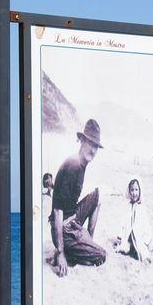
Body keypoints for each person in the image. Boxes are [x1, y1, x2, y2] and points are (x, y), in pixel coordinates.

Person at [49, 118, 107, 276]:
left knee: (98, 195)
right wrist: (60, 252)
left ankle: (88, 241)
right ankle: (67, 252)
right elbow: (57, 211)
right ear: (81, 140)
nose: (94, 150)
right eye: (90, 143)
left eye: (96, 146)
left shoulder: (81, 164)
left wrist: (87, 239)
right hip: (63, 228)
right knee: (101, 256)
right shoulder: (73, 166)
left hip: (72, 218)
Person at [113, 177, 153, 262]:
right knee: (124, 247)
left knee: (141, 249)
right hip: (128, 235)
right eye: (132, 190)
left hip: (138, 234)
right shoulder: (127, 206)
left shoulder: (142, 207)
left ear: (140, 191)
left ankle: (140, 251)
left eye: (136, 190)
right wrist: (120, 236)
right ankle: (129, 246)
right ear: (129, 191)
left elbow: (146, 225)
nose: (134, 193)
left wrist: (146, 240)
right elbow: (123, 223)